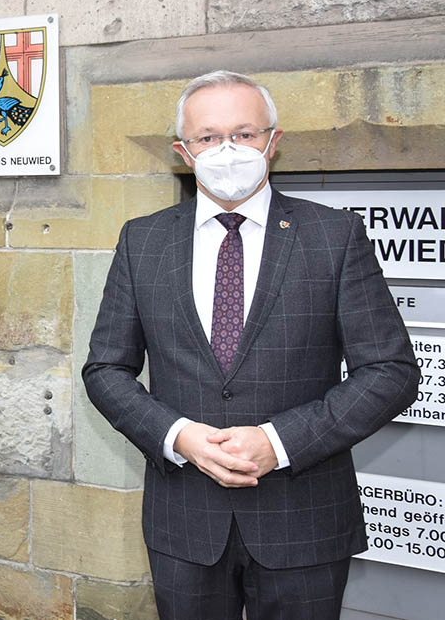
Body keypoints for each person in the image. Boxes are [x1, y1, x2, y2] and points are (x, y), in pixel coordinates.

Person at [82, 70, 418, 620]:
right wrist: (178, 436)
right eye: (209, 137)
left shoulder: (334, 236)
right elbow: (106, 370)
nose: (227, 149)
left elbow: (390, 370)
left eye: (244, 133)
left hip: (302, 517)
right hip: (184, 520)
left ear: (273, 142)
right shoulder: (142, 240)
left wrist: (278, 441)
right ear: (183, 152)